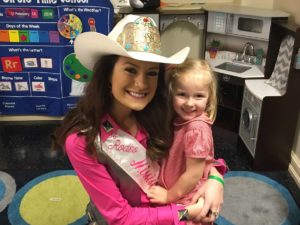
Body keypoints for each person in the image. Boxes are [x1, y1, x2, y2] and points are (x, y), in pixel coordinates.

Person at [52, 15, 226, 225]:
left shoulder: (162, 111)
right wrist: (185, 212)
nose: (141, 84)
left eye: (151, 73)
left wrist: (216, 179)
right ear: (108, 73)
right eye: (130, 69)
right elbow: (121, 218)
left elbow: (197, 153)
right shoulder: (83, 140)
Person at [147, 59, 223, 224]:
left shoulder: (196, 128)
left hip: (187, 198)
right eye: (182, 94)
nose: (189, 103)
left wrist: (169, 196)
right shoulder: (179, 120)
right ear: (172, 93)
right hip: (178, 192)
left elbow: (192, 175)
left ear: (209, 98)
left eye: (199, 96)